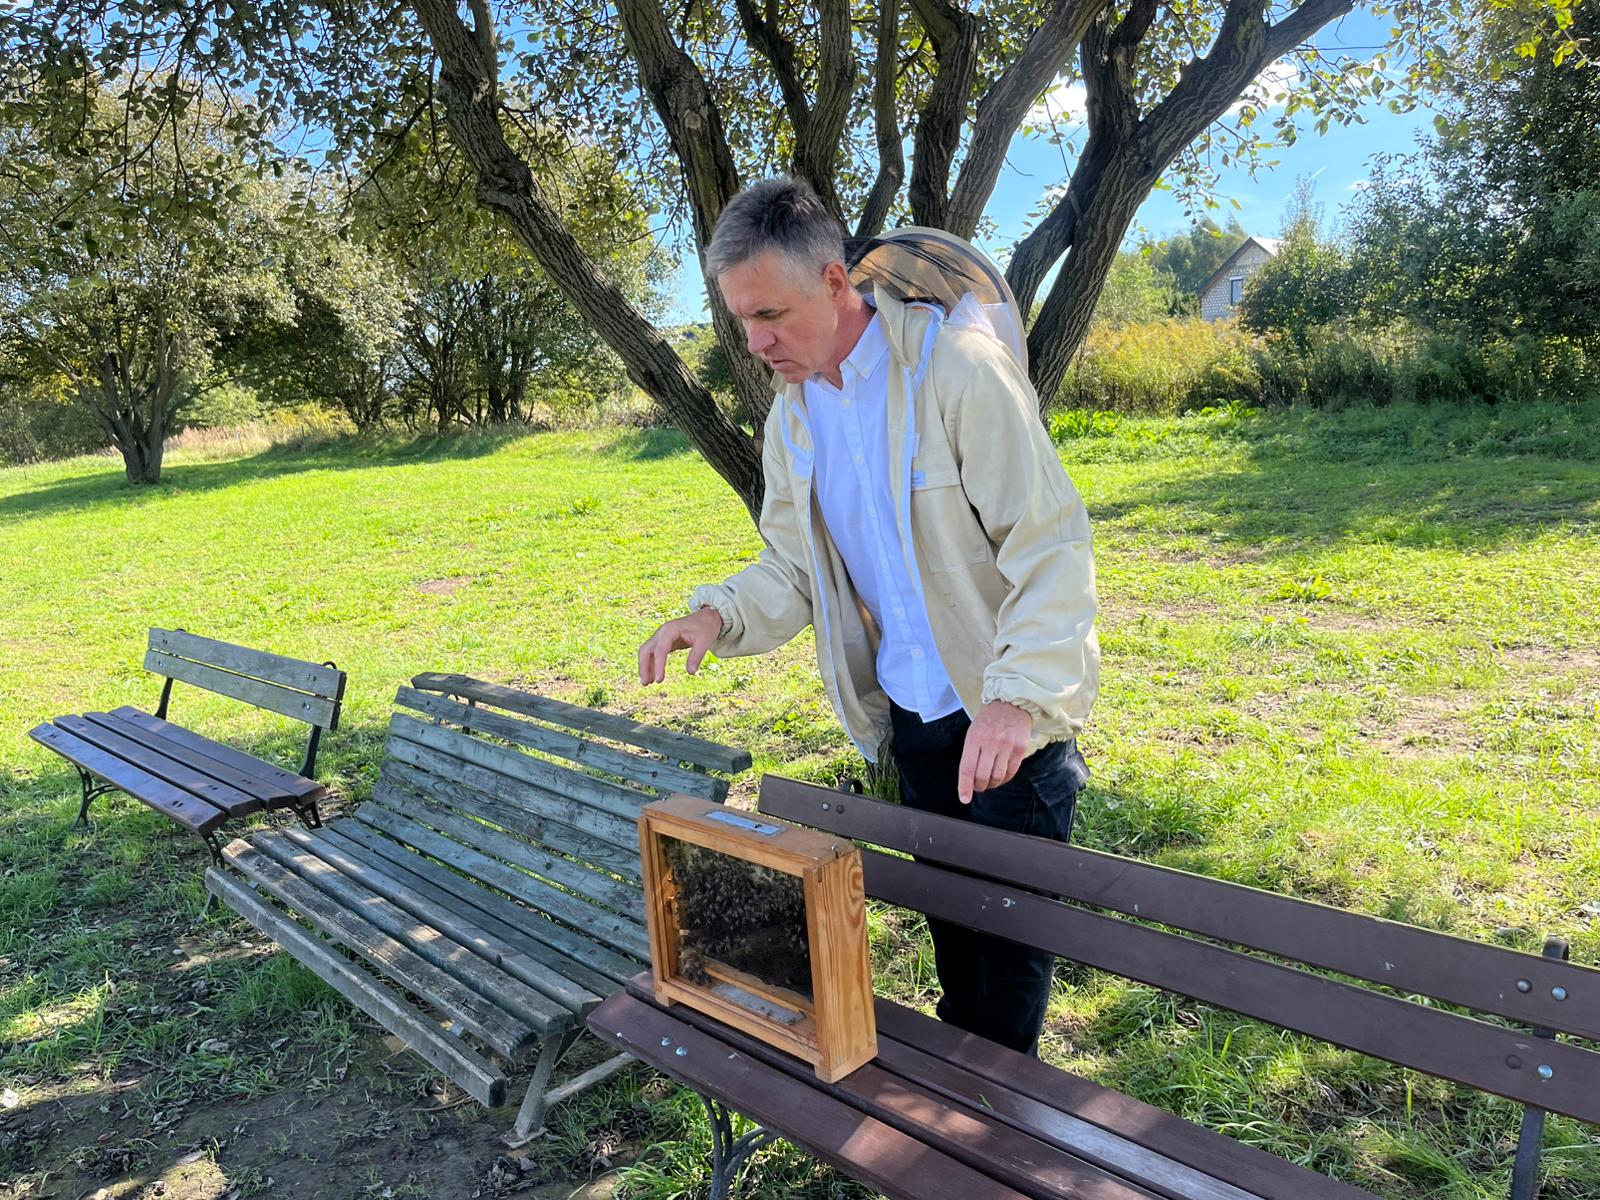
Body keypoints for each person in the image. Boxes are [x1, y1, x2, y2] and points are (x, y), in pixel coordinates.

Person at [638, 177, 1099, 1056]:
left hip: (1005, 722)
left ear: (835, 282)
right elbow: (792, 567)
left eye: (771, 314)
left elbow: (1049, 545)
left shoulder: (956, 371)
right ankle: (964, 1103)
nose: (756, 342)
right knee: (955, 939)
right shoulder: (793, 418)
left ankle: (994, 1112)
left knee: (1007, 969)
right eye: (742, 320)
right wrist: (717, 618)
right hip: (914, 721)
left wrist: (1018, 698)